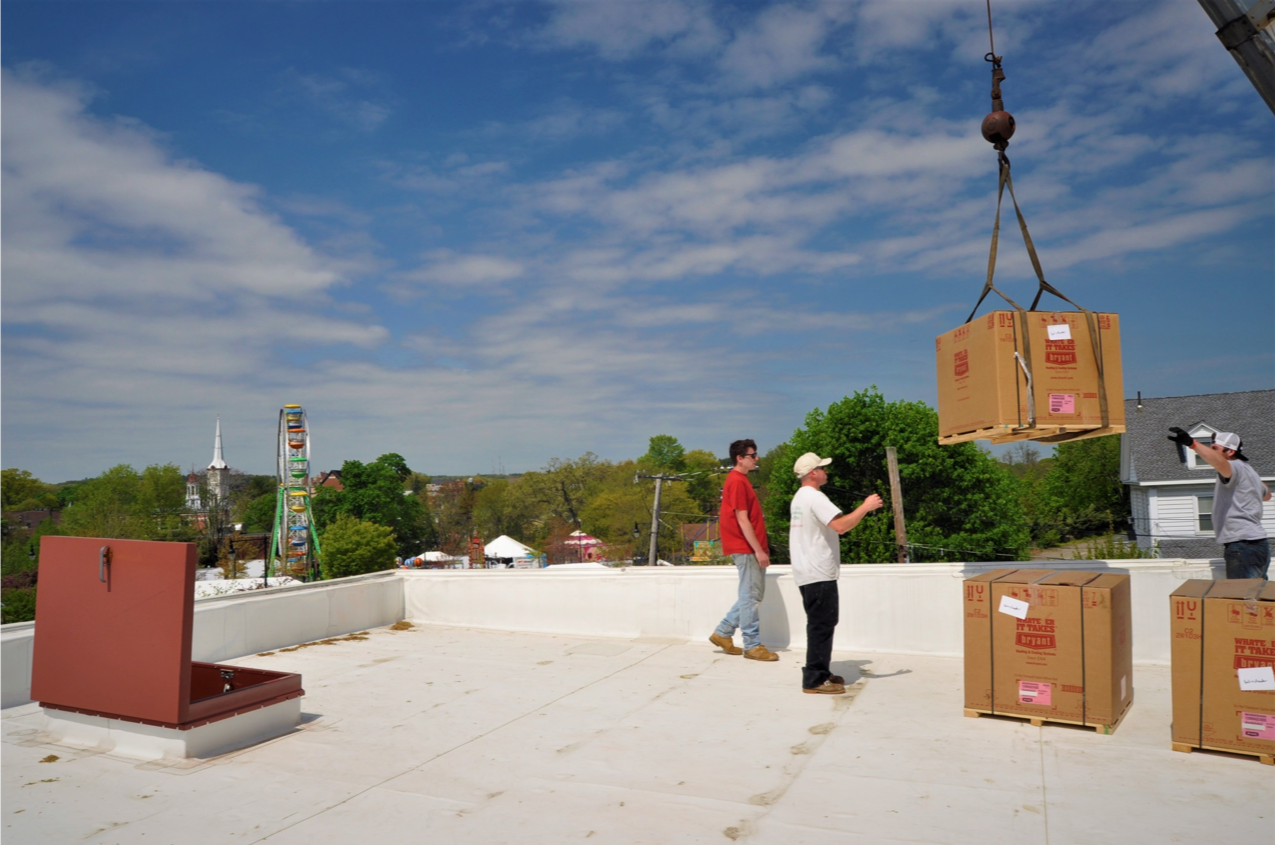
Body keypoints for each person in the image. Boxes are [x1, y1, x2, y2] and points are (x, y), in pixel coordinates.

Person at [788, 452, 884, 695]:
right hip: (819, 571)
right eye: (822, 468)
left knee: (821, 622)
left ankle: (821, 672)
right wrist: (866, 506)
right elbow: (841, 526)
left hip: (806, 570)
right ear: (812, 473)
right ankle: (814, 679)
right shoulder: (815, 497)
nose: (826, 471)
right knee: (822, 623)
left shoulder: (799, 497)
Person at [709, 439, 779, 662]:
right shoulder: (737, 481)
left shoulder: (741, 480)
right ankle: (752, 645)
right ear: (740, 458)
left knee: (751, 595)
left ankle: (723, 633)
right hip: (746, 547)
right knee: (750, 597)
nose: (757, 458)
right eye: (753, 455)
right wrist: (758, 550)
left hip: (747, 547)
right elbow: (742, 518)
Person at [1169, 428, 1271, 579]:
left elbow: (1219, 462)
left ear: (1230, 452)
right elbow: (1267, 495)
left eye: (1215, 448)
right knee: (1258, 597)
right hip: (1259, 545)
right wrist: (1255, 482)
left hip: (1242, 546)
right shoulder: (1249, 471)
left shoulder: (1234, 467)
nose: (1211, 451)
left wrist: (1192, 444)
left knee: (1242, 599)